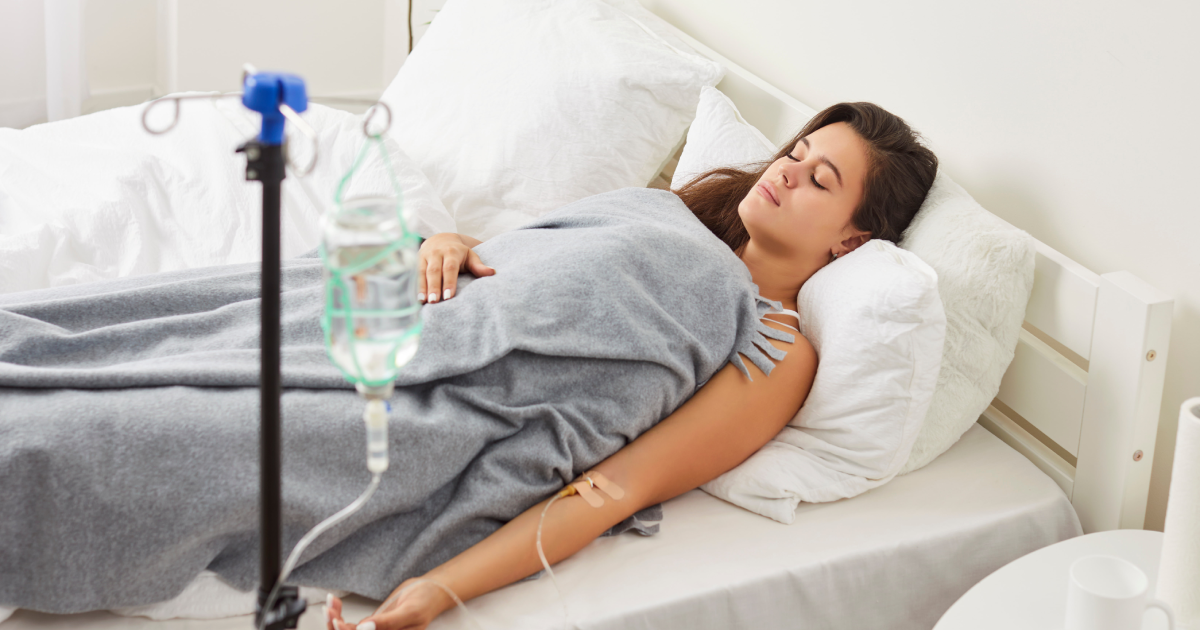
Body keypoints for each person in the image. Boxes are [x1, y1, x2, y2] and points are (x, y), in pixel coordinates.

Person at [326, 102, 938, 630]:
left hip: (451, 394)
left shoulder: (778, 347)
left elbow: (620, 487)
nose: (786, 171)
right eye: (795, 153)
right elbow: (515, 262)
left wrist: (440, 588)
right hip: (413, 314)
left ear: (852, 242)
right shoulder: (665, 216)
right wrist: (448, 245)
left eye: (819, 180)